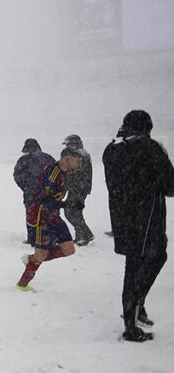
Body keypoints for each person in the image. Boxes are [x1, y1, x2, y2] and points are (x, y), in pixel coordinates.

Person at [102, 110, 173, 342]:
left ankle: (136, 306)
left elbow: (116, 184)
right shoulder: (149, 148)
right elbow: (170, 186)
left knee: (138, 264)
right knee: (146, 262)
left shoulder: (111, 149)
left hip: (123, 218)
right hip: (147, 218)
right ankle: (131, 323)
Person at [15, 148, 84, 293]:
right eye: (77, 159)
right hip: (41, 217)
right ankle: (22, 285)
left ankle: (32, 260)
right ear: (66, 159)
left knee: (69, 249)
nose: (80, 162)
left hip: (53, 216)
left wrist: (72, 202)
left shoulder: (65, 173)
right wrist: (66, 204)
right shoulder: (53, 173)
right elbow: (43, 199)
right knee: (41, 254)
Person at [13, 139, 56, 243]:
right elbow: (57, 173)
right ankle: (49, 236)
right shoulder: (48, 158)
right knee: (47, 214)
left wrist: (26, 187)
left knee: (31, 214)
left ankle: (33, 238)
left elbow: (17, 176)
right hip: (47, 193)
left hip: (30, 193)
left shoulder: (23, 160)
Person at [62, 134, 94, 245]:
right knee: (75, 211)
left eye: (68, 144)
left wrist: (65, 183)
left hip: (77, 188)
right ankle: (84, 235)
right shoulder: (83, 153)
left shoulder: (78, 155)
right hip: (81, 187)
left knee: (71, 212)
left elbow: (75, 172)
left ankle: (83, 235)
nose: (66, 147)